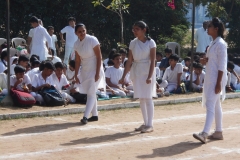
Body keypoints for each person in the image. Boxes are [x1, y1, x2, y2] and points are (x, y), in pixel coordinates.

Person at [193, 17, 228, 144]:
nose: (207, 28)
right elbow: (212, 61)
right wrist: (204, 61)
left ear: (216, 29)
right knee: (216, 104)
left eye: (210, 26)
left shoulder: (221, 44)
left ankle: (205, 133)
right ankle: (218, 131)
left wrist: (218, 83)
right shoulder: (213, 43)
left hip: (216, 78)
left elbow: (222, 65)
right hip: (210, 77)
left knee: (210, 104)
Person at [119, 21, 156, 133]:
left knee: (148, 98)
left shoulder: (151, 42)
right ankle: (145, 123)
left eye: (137, 29)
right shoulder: (133, 43)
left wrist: (150, 76)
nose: (134, 31)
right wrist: (123, 76)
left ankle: (150, 124)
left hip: (147, 70)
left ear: (144, 30)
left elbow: (153, 60)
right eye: (133, 29)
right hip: (137, 71)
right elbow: (130, 60)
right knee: (141, 98)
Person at [74, 23, 105, 124]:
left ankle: (85, 116)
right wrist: (76, 74)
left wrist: (97, 73)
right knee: (90, 92)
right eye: (79, 31)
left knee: (91, 93)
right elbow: (78, 61)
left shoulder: (92, 39)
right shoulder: (76, 44)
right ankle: (95, 115)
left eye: (83, 31)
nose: (82, 33)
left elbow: (99, 57)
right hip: (85, 69)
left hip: (95, 67)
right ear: (76, 33)